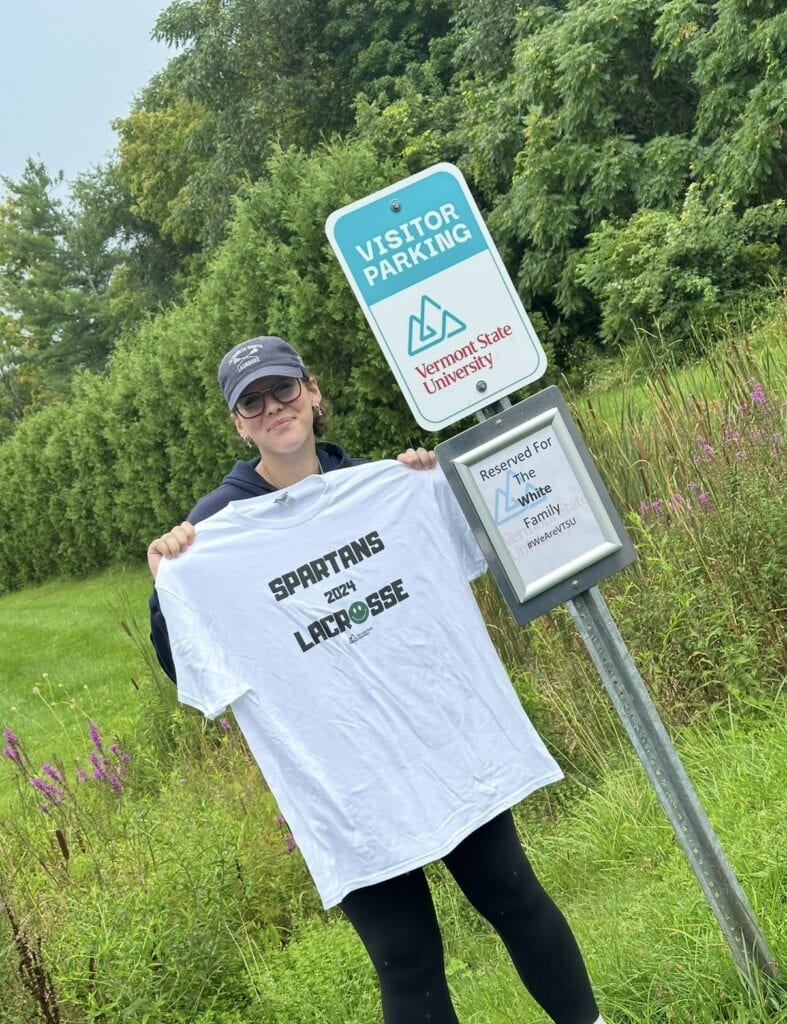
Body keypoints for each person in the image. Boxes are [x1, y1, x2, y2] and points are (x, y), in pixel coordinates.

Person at [146, 335, 607, 1024]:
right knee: (404, 955)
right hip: (344, 778)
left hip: (441, 741)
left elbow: (467, 544)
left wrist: (426, 482)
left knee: (513, 894)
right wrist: (166, 584)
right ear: (238, 423)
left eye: (284, 389)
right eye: (254, 402)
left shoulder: (382, 486)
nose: (275, 407)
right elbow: (187, 664)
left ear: (312, 391)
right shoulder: (211, 533)